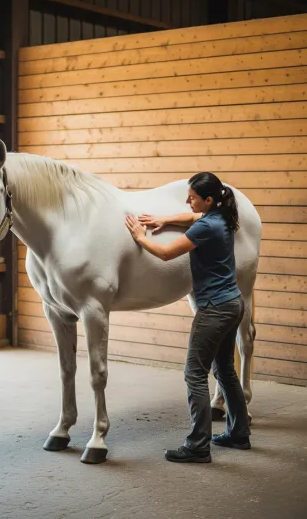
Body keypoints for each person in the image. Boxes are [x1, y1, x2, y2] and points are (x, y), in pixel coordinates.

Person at [125, 172, 251, 464]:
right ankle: (238, 434)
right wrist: (166, 220)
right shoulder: (220, 217)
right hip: (233, 304)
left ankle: (198, 446)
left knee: (194, 373)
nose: (187, 201)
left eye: (192, 197)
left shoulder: (207, 225)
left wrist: (141, 237)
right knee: (225, 371)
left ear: (207, 200)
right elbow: (192, 218)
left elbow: (167, 253)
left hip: (214, 309)